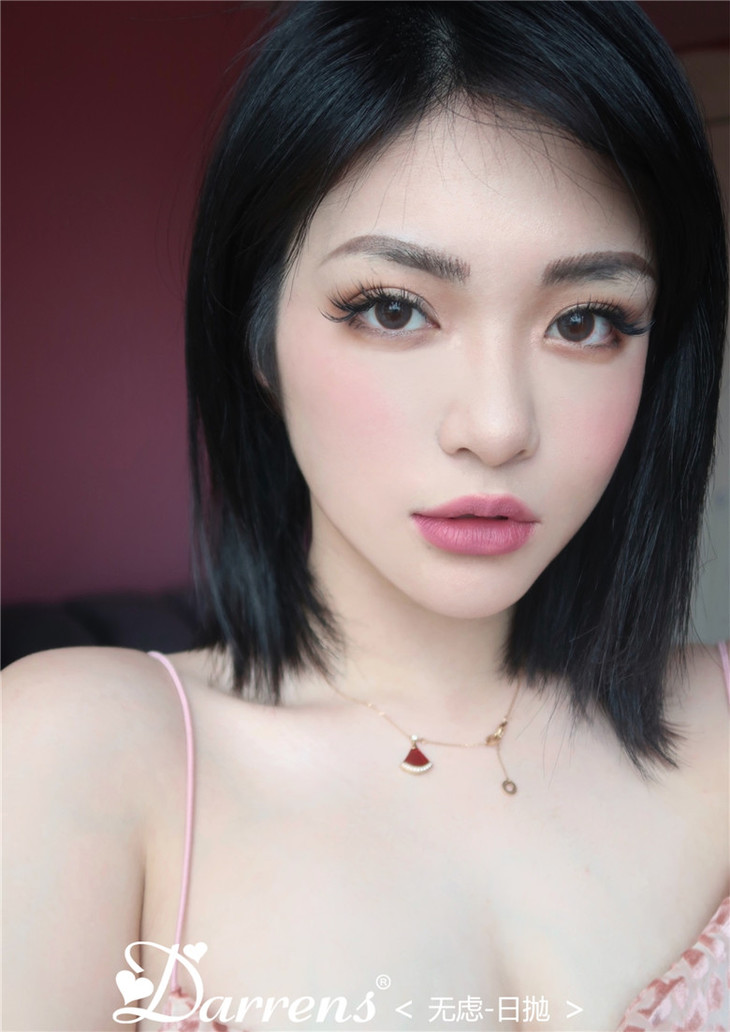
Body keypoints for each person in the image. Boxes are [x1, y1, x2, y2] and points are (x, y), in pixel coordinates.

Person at [4, 2, 729, 1030]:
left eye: (585, 321)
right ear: (257, 333)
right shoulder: (78, 752)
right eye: (393, 308)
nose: (496, 427)